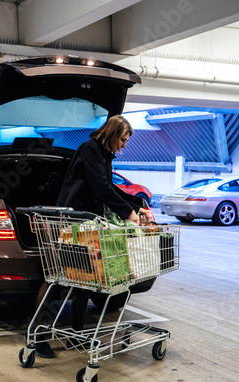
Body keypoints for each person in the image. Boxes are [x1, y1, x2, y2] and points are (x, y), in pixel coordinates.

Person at [32, 114, 153, 358]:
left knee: (85, 276)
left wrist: (136, 204)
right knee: (58, 277)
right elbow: (100, 187)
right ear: (112, 133)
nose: (124, 145)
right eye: (123, 139)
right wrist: (128, 212)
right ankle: (37, 335)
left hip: (87, 223)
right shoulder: (90, 150)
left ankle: (76, 333)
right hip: (71, 222)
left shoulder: (104, 155)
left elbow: (110, 186)